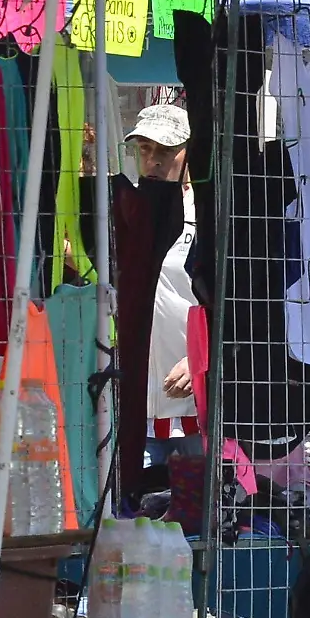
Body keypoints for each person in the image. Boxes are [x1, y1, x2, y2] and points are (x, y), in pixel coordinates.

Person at [128, 104, 201, 467]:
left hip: (193, 404)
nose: (153, 161)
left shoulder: (207, 218)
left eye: (166, 150)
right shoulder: (123, 211)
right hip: (131, 405)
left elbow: (229, 304)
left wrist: (200, 358)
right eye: (144, 149)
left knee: (200, 509)